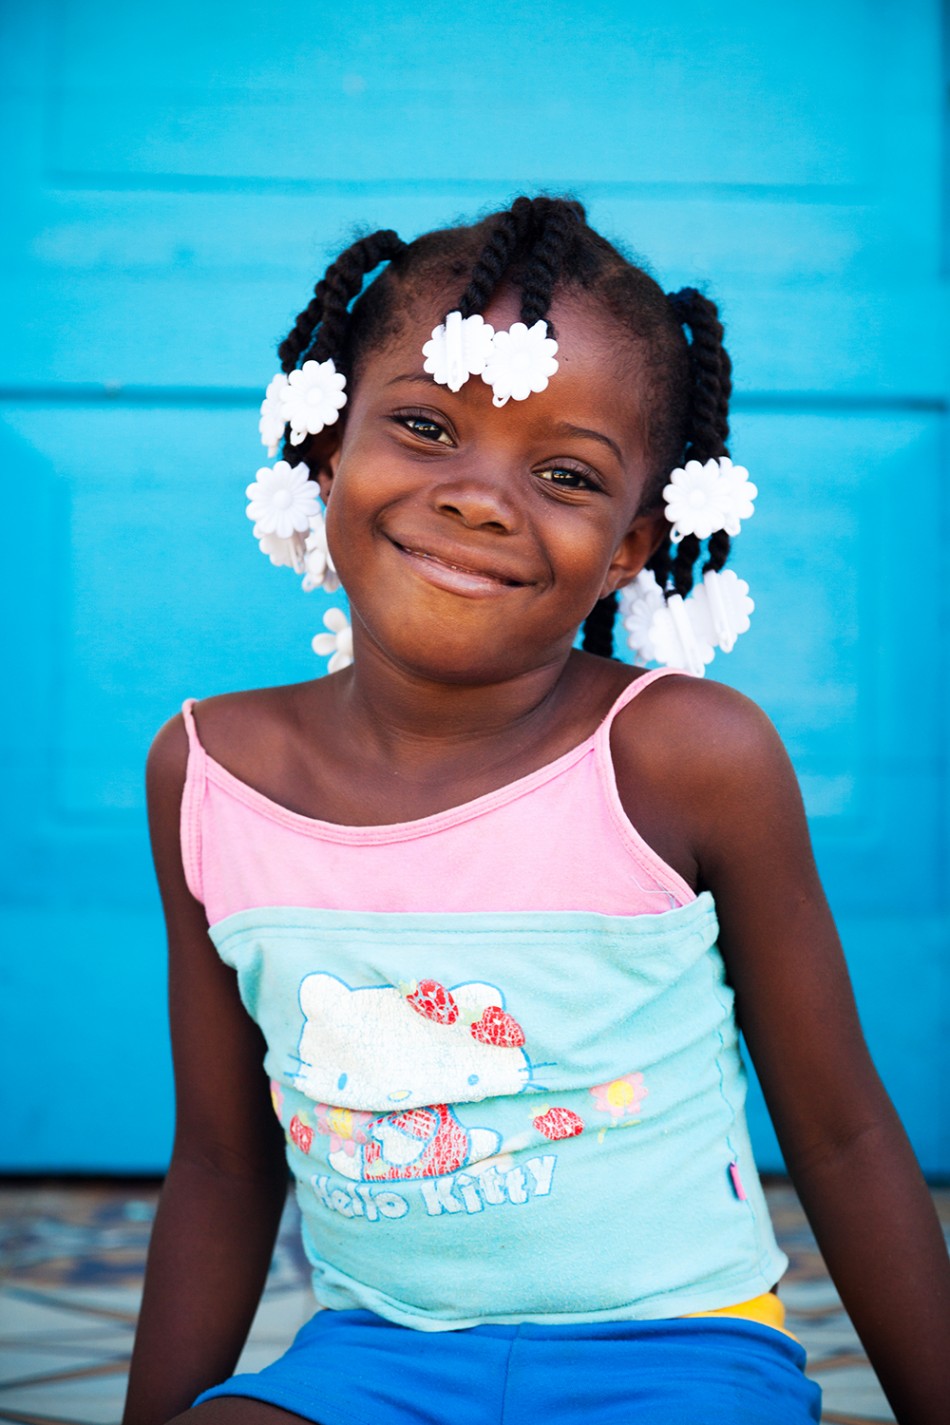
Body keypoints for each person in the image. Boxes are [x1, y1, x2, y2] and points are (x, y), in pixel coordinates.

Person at [122, 197, 950, 1425]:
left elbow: (837, 1137)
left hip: (676, 1359)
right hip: (372, 1360)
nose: (478, 498)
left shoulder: (685, 758)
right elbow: (225, 1162)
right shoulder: (209, 769)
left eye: (564, 474)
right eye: (421, 426)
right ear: (323, 444)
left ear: (632, 545)